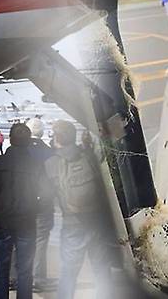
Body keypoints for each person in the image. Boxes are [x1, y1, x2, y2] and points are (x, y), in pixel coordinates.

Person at [45, 120, 112, 299]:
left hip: (72, 223)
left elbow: (46, 193)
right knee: (101, 269)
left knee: (69, 271)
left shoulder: (51, 163)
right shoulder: (89, 156)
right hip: (96, 220)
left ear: (57, 138)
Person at [0, 123, 41, 299]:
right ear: (28, 141)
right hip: (26, 221)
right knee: (25, 269)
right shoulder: (35, 164)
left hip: (2, 220)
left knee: (1, 268)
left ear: (10, 140)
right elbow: (43, 193)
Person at [25, 118, 55, 291]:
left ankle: (15, 276)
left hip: (22, 201)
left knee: (19, 237)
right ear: (42, 132)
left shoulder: (19, 150)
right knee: (41, 240)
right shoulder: (50, 152)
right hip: (43, 202)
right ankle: (38, 278)